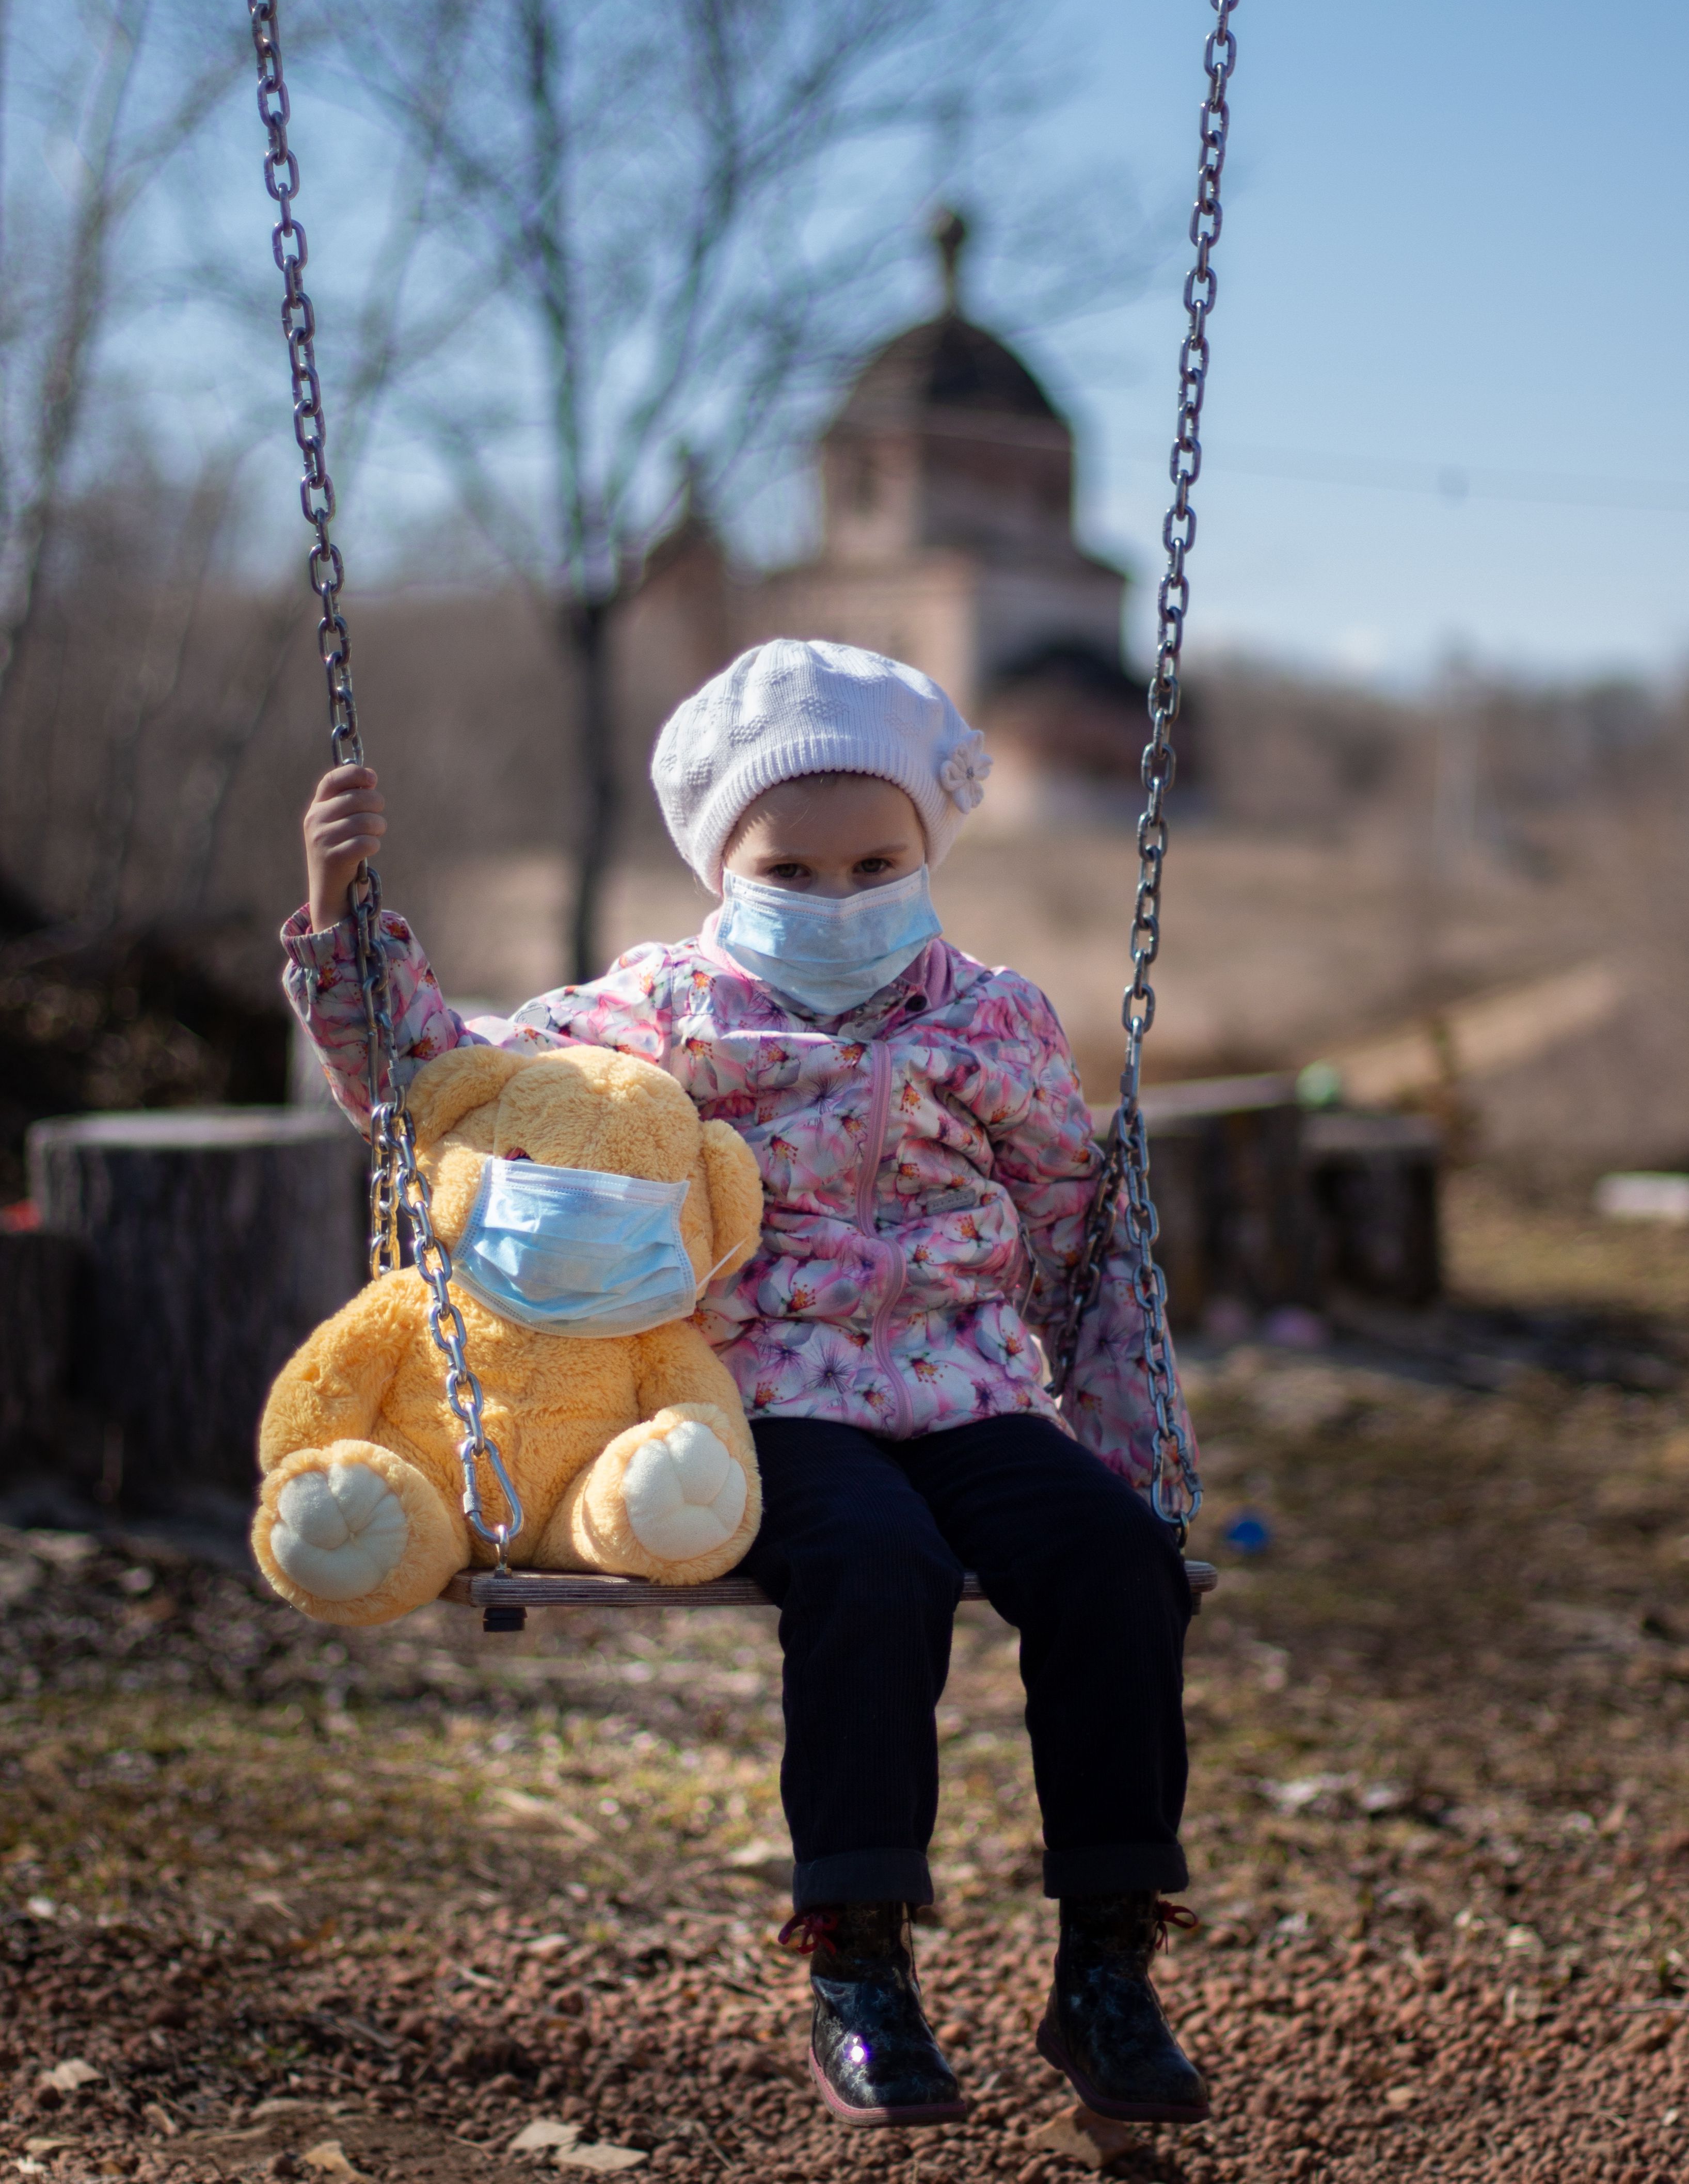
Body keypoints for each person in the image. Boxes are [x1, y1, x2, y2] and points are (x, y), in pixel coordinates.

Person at [285, 637, 1205, 2132]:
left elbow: (1068, 1236)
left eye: (874, 860)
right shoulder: (662, 1011)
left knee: (1115, 1559)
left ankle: (1106, 1962)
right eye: (794, 866)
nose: (839, 896)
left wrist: (1124, 1440)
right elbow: (444, 1083)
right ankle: (858, 1957)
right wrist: (340, 922)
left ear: (927, 849)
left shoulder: (998, 1017)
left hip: (974, 1395)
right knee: (871, 1562)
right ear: (726, 866)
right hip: (774, 1399)